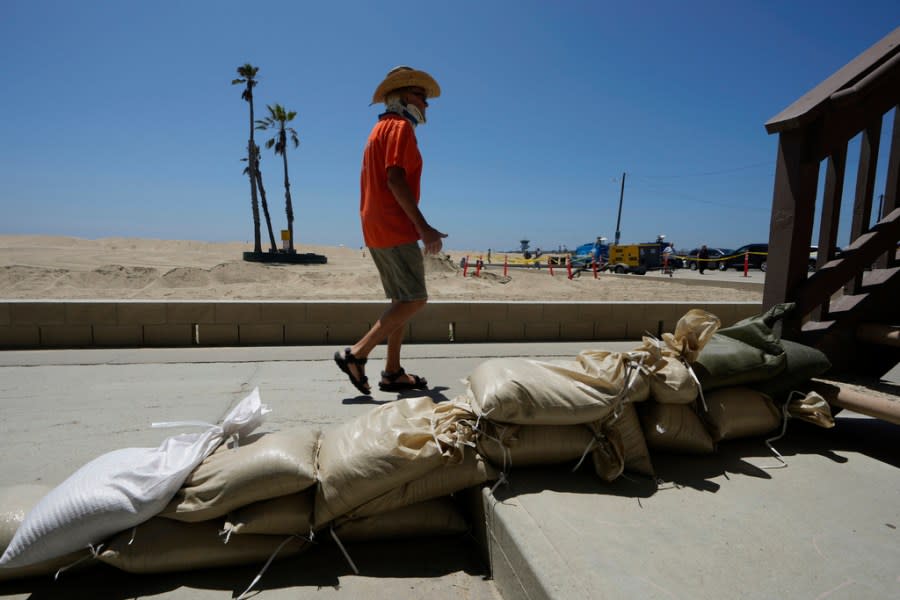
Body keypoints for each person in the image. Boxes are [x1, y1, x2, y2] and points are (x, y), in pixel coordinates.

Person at [334, 66, 446, 395]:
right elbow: (395, 178)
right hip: (394, 225)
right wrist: (423, 228)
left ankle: (392, 372)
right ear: (402, 97)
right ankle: (356, 354)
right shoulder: (400, 128)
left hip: (374, 223)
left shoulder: (378, 129)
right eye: (420, 96)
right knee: (415, 299)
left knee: (402, 298)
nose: (426, 104)